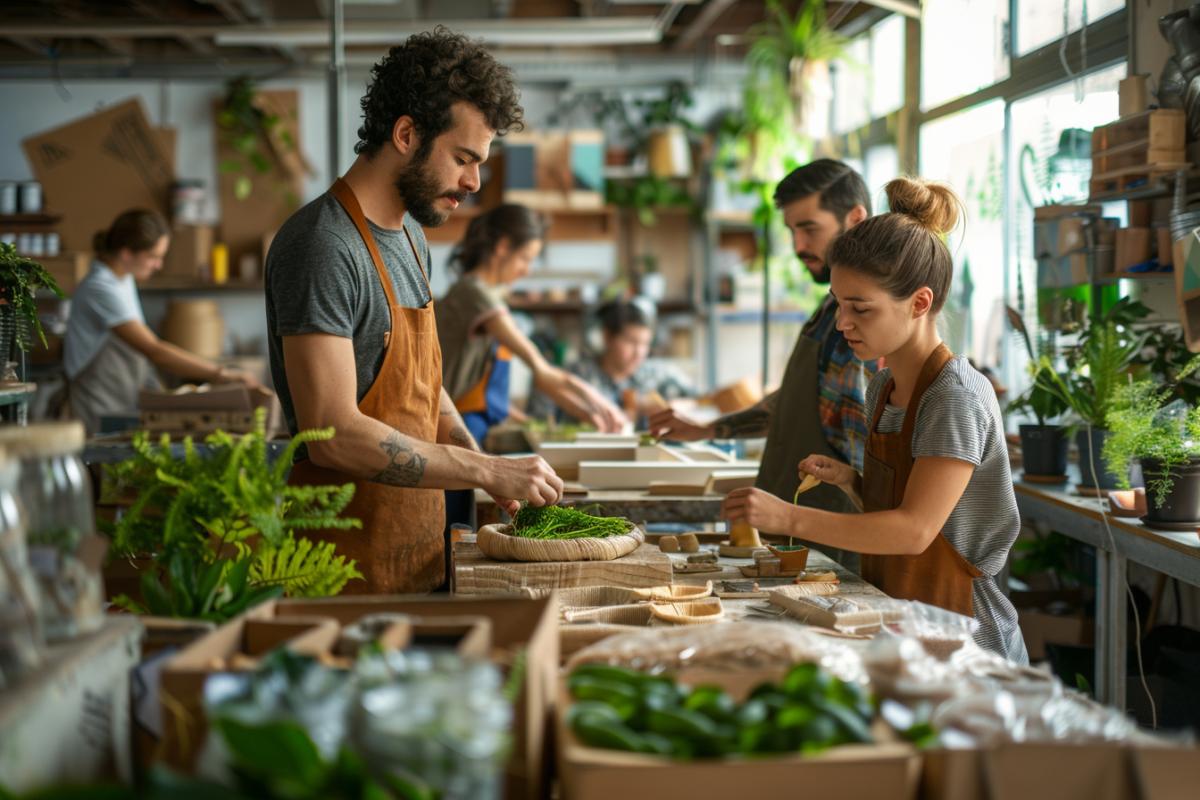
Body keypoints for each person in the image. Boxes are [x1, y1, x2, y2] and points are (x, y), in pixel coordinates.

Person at [264, 28, 563, 595]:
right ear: (406, 134)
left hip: (418, 559)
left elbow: (426, 389)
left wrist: (490, 474)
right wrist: (485, 470)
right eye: (463, 158)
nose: (474, 182)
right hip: (338, 576)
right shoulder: (323, 245)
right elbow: (332, 435)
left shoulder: (411, 238)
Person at [721, 177, 1029, 664]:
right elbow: (909, 511)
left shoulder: (955, 397)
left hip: (967, 636)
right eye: (840, 304)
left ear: (920, 303)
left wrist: (787, 517)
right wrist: (852, 482)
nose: (843, 323)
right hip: (903, 618)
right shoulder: (882, 388)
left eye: (860, 308)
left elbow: (914, 531)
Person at [649, 159, 875, 568]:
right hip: (795, 538)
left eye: (809, 229)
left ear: (855, 218)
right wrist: (710, 429)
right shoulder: (832, 309)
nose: (798, 246)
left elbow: (871, 475)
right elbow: (798, 402)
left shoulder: (865, 324)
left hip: (831, 550)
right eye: (791, 231)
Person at [437, 203, 626, 445]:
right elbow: (541, 370)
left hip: (474, 422)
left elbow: (482, 387)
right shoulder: (473, 295)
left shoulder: (489, 296)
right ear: (503, 247)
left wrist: (591, 416)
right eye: (525, 258)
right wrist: (600, 405)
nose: (526, 271)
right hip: (453, 427)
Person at [64, 209, 262, 435]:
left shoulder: (123, 278)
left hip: (121, 394)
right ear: (127, 253)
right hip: (98, 398)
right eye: (153, 257)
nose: (158, 265)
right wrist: (221, 374)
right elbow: (153, 350)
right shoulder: (100, 288)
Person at [531, 299, 694, 429]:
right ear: (607, 337)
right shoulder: (578, 374)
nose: (639, 352)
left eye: (645, 344)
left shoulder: (656, 374)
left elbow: (702, 400)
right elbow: (537, 419)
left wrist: (676, 407)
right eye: (631, 342)